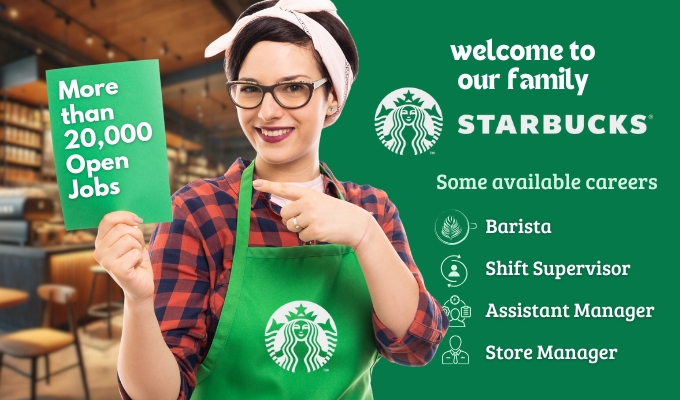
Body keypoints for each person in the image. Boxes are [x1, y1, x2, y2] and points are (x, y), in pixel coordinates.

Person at [93, 0, 448, 399]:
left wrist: (365, 235)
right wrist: (138, 301)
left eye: (293, 87)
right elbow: (157, 396)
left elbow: (417, 345)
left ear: (332, 98)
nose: (267, 111)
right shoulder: (197, 211)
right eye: (250, 90)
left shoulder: (373, 210)